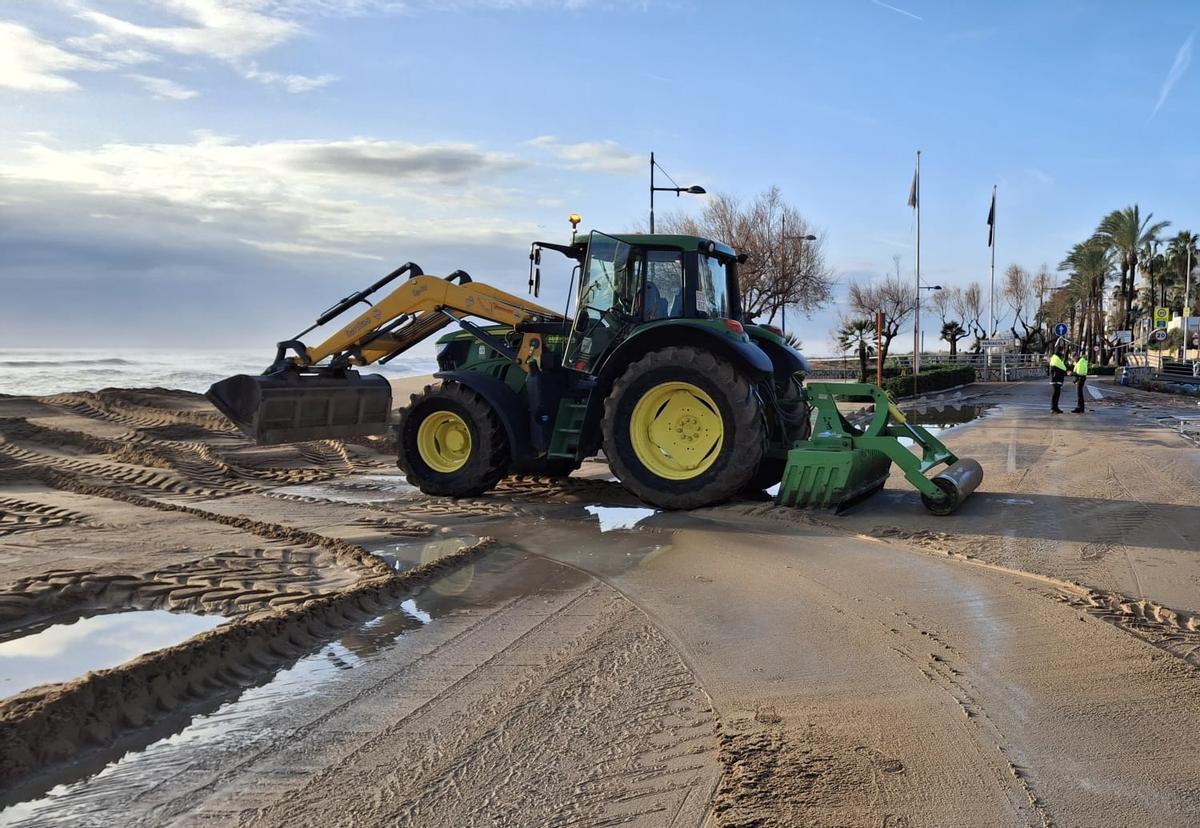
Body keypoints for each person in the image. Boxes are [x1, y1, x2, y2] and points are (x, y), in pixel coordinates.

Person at [1048, 347, 1067, 413]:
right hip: (1056, 378)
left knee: (1056, 394)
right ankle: (1054, 408)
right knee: (1056, 394)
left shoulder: (1055, 357)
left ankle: (1055, 408)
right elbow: (1063, 368)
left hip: (1056, 378)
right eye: (1063, 351)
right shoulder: (1057, 358)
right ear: (1060, 351)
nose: (1063, 352)